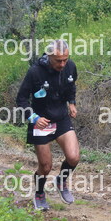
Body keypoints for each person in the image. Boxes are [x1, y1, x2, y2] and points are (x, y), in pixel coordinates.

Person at [16, 39, 80, 211]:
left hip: (61, 118)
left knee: (73, 157)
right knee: (45, 166)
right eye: (58, 60)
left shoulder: (70, 66)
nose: (62, 64)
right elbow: (21, 99)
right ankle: (39, 193)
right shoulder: (35, 72)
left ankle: (61, 180)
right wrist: (33, 118)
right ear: (49, 56)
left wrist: (71, 102)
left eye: (65, 59)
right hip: (41, 122)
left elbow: (71, 85)